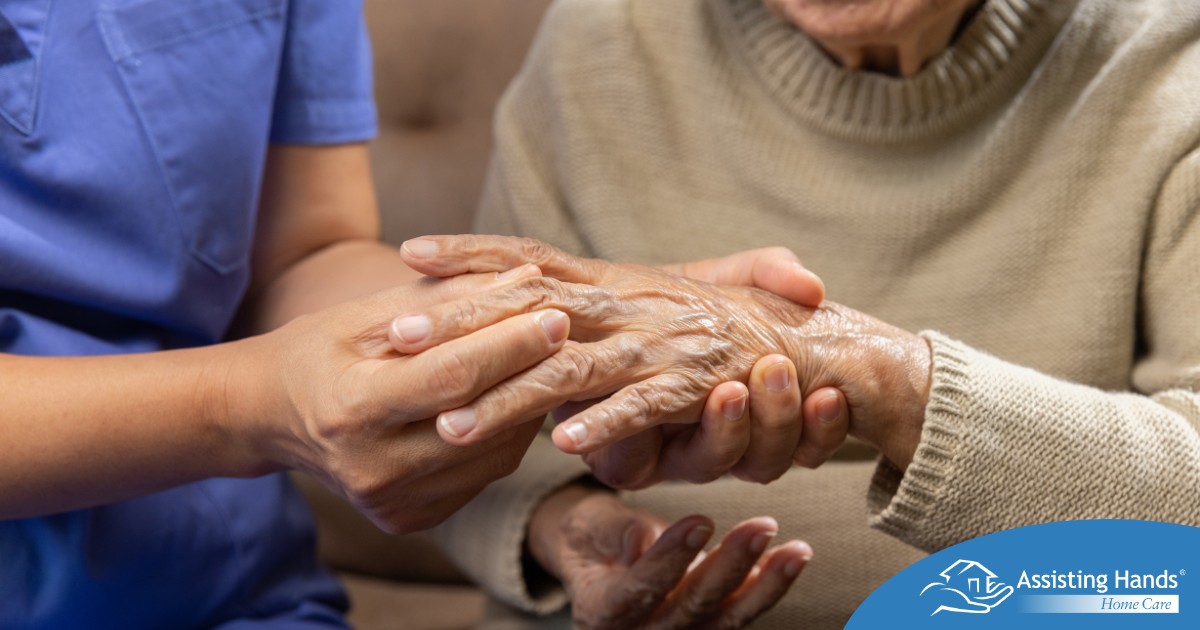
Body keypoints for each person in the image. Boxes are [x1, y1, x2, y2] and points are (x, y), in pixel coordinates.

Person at [0, 1, 823, 627]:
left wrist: (580, 307)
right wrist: (250, 406)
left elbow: (302, 257)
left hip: (239, 594)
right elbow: (262, 389)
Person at [393, 0, 1200, 627]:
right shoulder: (601, 39)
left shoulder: (1169, 56)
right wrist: (566, 529)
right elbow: (464, 432)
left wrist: (885, 377)